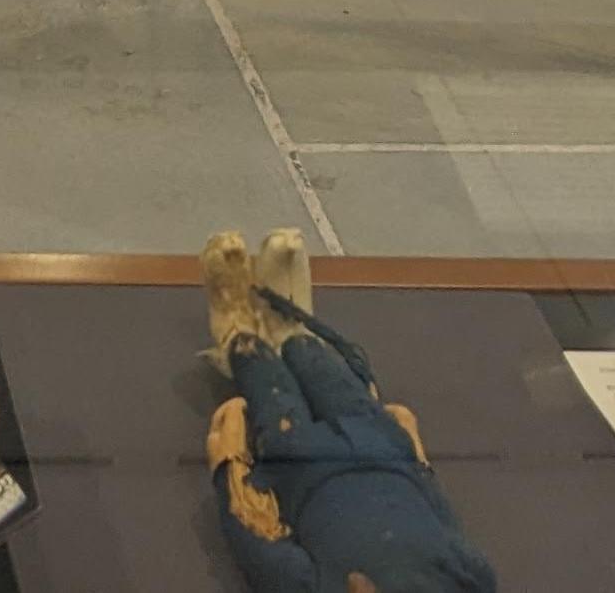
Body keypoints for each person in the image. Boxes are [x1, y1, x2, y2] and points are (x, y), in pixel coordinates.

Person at [201, 230, 497, 593]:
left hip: (299, 462)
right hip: (381, 448)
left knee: (265, 378)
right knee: (320, 366)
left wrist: (231, 468)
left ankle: (239, 334)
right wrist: (416, 458)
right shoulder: (472, 582)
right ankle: (289, 330)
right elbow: (443, 522)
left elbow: (263, 550)